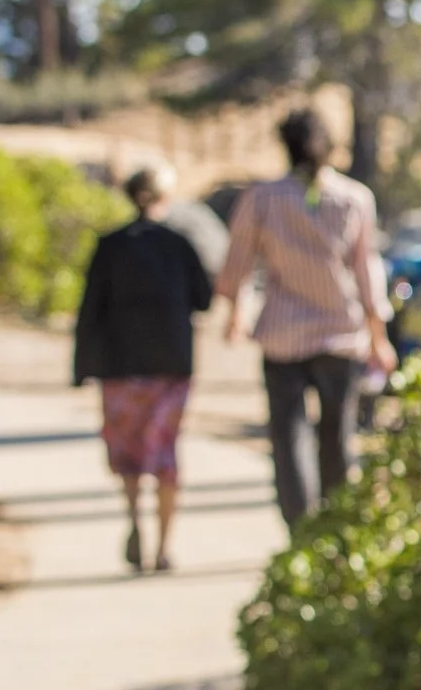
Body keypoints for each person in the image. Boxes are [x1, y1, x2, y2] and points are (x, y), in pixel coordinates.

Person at [218, 107, 394, 530]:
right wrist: (378, 335)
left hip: (283, 335)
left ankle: (300, 527)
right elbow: (366, 270)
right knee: (337, 436)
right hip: (341, 332)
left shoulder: (262, 198)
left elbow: (238, 259)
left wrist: (235, 310)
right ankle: (335, 527)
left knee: (288, 435)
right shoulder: (353, 198)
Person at [71, 165, 213, 574]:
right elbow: (203, 298)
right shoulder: (179, 244)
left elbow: (89, 310)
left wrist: (81, 367)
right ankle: (165, 545)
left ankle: (136, 518)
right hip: (170, 365)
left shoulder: (110, 245)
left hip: (120, 367)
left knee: (129, 451)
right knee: (165, 453)